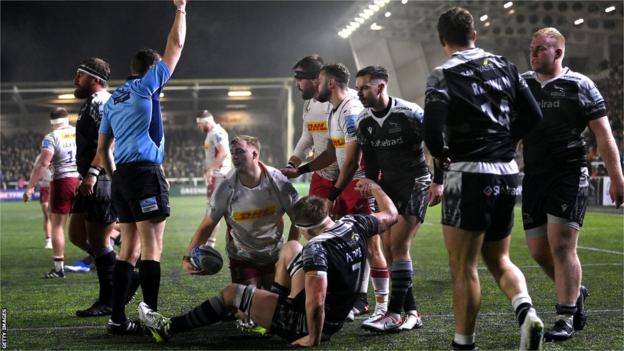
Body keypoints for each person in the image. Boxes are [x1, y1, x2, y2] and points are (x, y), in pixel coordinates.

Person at [137, 178, 398, 347]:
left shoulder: (316, 249)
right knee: (290, 247)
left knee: (231, 293)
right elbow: (391, 215)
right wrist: (376, 188)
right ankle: (265, 317)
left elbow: (316, 302)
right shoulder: (355, 223)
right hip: (335, 313)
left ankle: (168, 328)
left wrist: (313, 338)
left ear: (305, 227)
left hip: (311, 324)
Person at [423, 7, 545, 350]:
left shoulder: (442, 74)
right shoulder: (505, 65)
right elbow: (533, 114)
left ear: (442, 40)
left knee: (463, 266)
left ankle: (464, 344)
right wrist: (508, 141)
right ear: (473, 35)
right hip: (507, 172)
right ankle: (527, 314)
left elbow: (432, 131)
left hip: (469, 174)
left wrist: (442, 155)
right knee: (500, 258)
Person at [521, 27, 624, 342]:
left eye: (541, 48)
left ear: (558, 52)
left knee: (562, 245)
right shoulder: (522, 84)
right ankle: (576, 292)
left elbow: (603, 134)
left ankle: (565, 315)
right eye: (532, 48)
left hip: (569, 172)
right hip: (534, 175)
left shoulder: (580, 85)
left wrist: (617, 177)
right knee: (538, 250)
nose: (534, 53)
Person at [97, 0, 187, 334]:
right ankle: (151, 319)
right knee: (152, 247)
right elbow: (176, 46)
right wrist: (180, 9)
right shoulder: (147, 86)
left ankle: (117, 319)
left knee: (128, 250)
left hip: (121, 176)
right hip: (146, 173)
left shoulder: (112, 99)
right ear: (152, 70)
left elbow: (102, 149)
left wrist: (114, 176)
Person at [284, 63, 389, 321]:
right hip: (343, 180)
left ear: (329, 83)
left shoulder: (351, 110)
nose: (316, 86)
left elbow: (352, 161)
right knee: (341, 238)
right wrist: (302, 169)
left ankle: (382, 307)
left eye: (318, 81)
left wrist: (332, 195)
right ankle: (352, 297)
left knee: (369, 244)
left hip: (359, 182)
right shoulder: (334, 111)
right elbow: (331, 154)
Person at [355, 65, 441, 332]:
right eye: (358, 88)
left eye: (364, 87)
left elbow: (436, 145)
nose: (360, 93)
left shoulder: (410, 113)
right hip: (387, 185)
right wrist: (370, 186)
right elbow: (369, 162)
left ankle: (393, 314)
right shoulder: (363, 121)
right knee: (390, 250)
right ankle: (412, 312)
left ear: (381, 86)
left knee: (399, 245)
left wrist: (438, 181)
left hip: (415, 181)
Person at [183, 135, 299, 290]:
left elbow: (298, 219)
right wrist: (187, 257)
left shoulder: (279, 181)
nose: (235, 156)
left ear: (255, 154)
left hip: (275, 255)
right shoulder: (225, 188)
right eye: (233, 153)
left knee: (276, 305)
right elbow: (207, 226)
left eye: (240, 152)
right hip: (242, 257)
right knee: (248, 307)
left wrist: (287, 253)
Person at [23, 107, 80, 278]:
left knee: (57, 225)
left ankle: (58, 268)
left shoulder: (51, 137)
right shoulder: (79, 132)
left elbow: (43, 163)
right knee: (91, 223)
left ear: (52, 123)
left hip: (63, 181)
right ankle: (108, 256)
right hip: (83, 180)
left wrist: (30, 187)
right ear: (67, 119)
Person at [281, 55, 339, 199]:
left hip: (349, 175)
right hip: (321, 175)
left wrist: (300, 170)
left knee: (349, 221)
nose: (297, 84)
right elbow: (307, 138)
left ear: (315, 79)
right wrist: (291, 165)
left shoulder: (343, 102)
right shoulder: (309, 104)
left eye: (300, 79)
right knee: (315, 219)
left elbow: (334, 152)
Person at [196, 109, 232, 247]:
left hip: (220, 175)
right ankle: (210, 244)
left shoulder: (216, 132)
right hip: (218, 175)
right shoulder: (213, 133)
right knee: (216, 210)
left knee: (214, 210)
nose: (199, 128)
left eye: (200, 125)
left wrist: (211, 169)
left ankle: (209, 245)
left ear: (206, 122)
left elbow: (222, 153)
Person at [32, 155, 53, 249]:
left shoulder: (59, 152)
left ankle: (56, 238)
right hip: (45, 187)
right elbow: (35, 171)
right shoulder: (40, 157)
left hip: (58, 185)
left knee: (56, 215)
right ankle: (48, 240)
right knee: (47, 214)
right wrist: (32, 186)